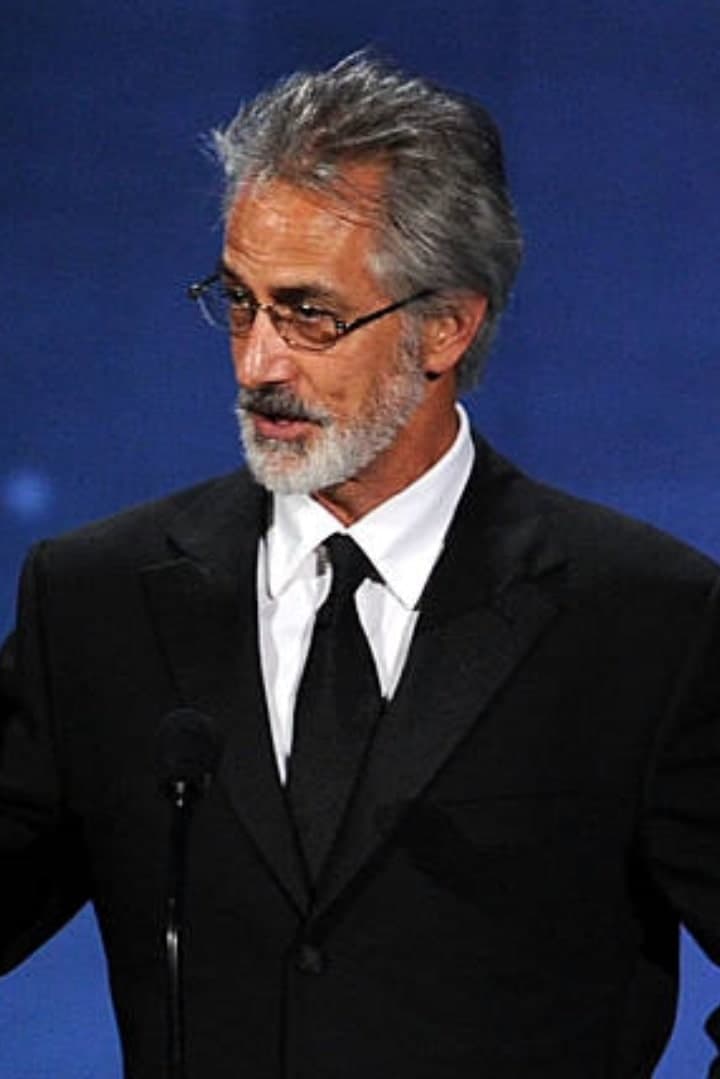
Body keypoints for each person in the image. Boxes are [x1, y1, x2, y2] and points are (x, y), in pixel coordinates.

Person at [1, 52, 719, 1079]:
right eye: (239, 302)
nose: (258, 362)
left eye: (310, 313)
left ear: (446, 326)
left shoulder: (647, 621)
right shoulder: (96, 604)